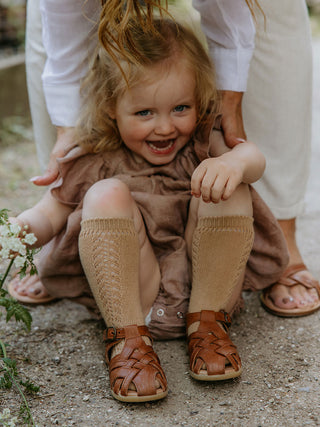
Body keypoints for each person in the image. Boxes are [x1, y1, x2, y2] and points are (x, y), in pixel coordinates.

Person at [6, 14, 288, 402]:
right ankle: (128, 341)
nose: (164, 127)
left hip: (201, 287)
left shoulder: (202, 144)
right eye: (144, 113)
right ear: (110, 109)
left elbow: (253, 160)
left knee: (232, 187)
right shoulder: (95, 157)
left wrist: (232, 163)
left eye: (180, 108)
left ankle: (208, 327)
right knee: (105, 194)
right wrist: (11, 236)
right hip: (136, 296)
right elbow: (46, 215)